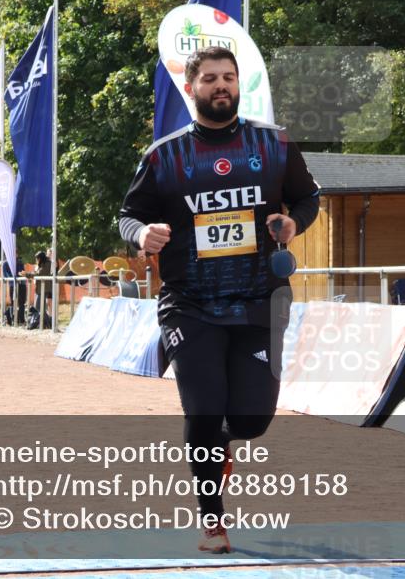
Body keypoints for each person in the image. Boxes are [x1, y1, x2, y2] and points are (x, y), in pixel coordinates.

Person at [118, 46, 320, 554]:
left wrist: (295, 221)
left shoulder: (273, 145)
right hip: (190, 303)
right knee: (204, 412)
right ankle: (213, 520)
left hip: (259, 300)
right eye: (210, 78)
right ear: (192, 87)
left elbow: (307, 197)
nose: (221, 85)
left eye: (229, 77)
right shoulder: (164, 156)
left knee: (250, 420)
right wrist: (143, 233)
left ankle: (222, 438)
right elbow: (128, 215)